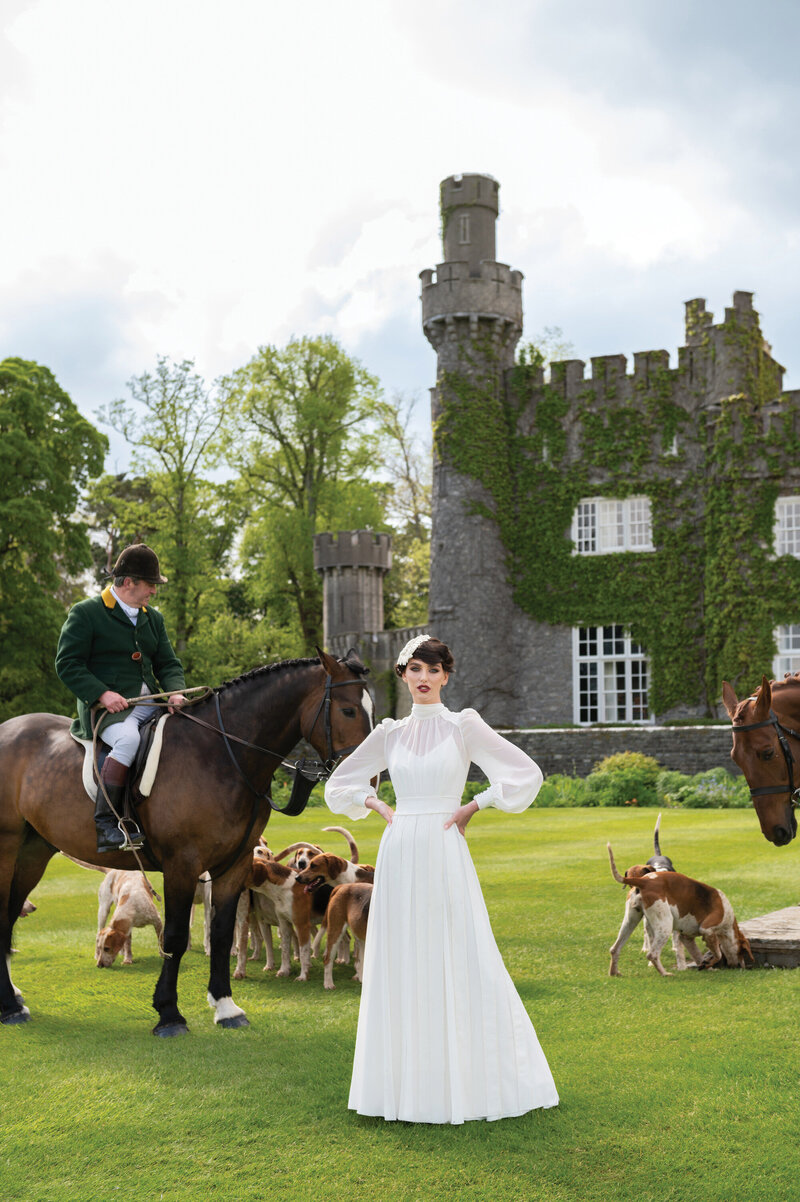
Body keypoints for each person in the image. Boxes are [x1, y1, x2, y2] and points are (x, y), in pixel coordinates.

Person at [324, 634, 559, 1124]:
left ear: (445, 676)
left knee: (458, 951)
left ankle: (467, 1082)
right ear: (404, 675)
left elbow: (524, 773)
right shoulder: (389, 733)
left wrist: (477, 803)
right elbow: (340, 784)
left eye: (433, 670)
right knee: (401, 957)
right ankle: (405, 1088)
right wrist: (376, 802)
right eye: (415, 670)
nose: (424, 678)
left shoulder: (462, 726)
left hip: (443, 845)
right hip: (401, 845)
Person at [55, 543, 186, 853]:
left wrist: (176, 692)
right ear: (129, 582)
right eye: (150, 584)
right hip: (107, 711)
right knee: (127, 741)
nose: (154, 591)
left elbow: (167, 664)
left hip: (151, 703)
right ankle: (106, 823)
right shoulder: (86, 613)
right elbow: (67, 664)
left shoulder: (152, 618)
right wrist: (102, 693)